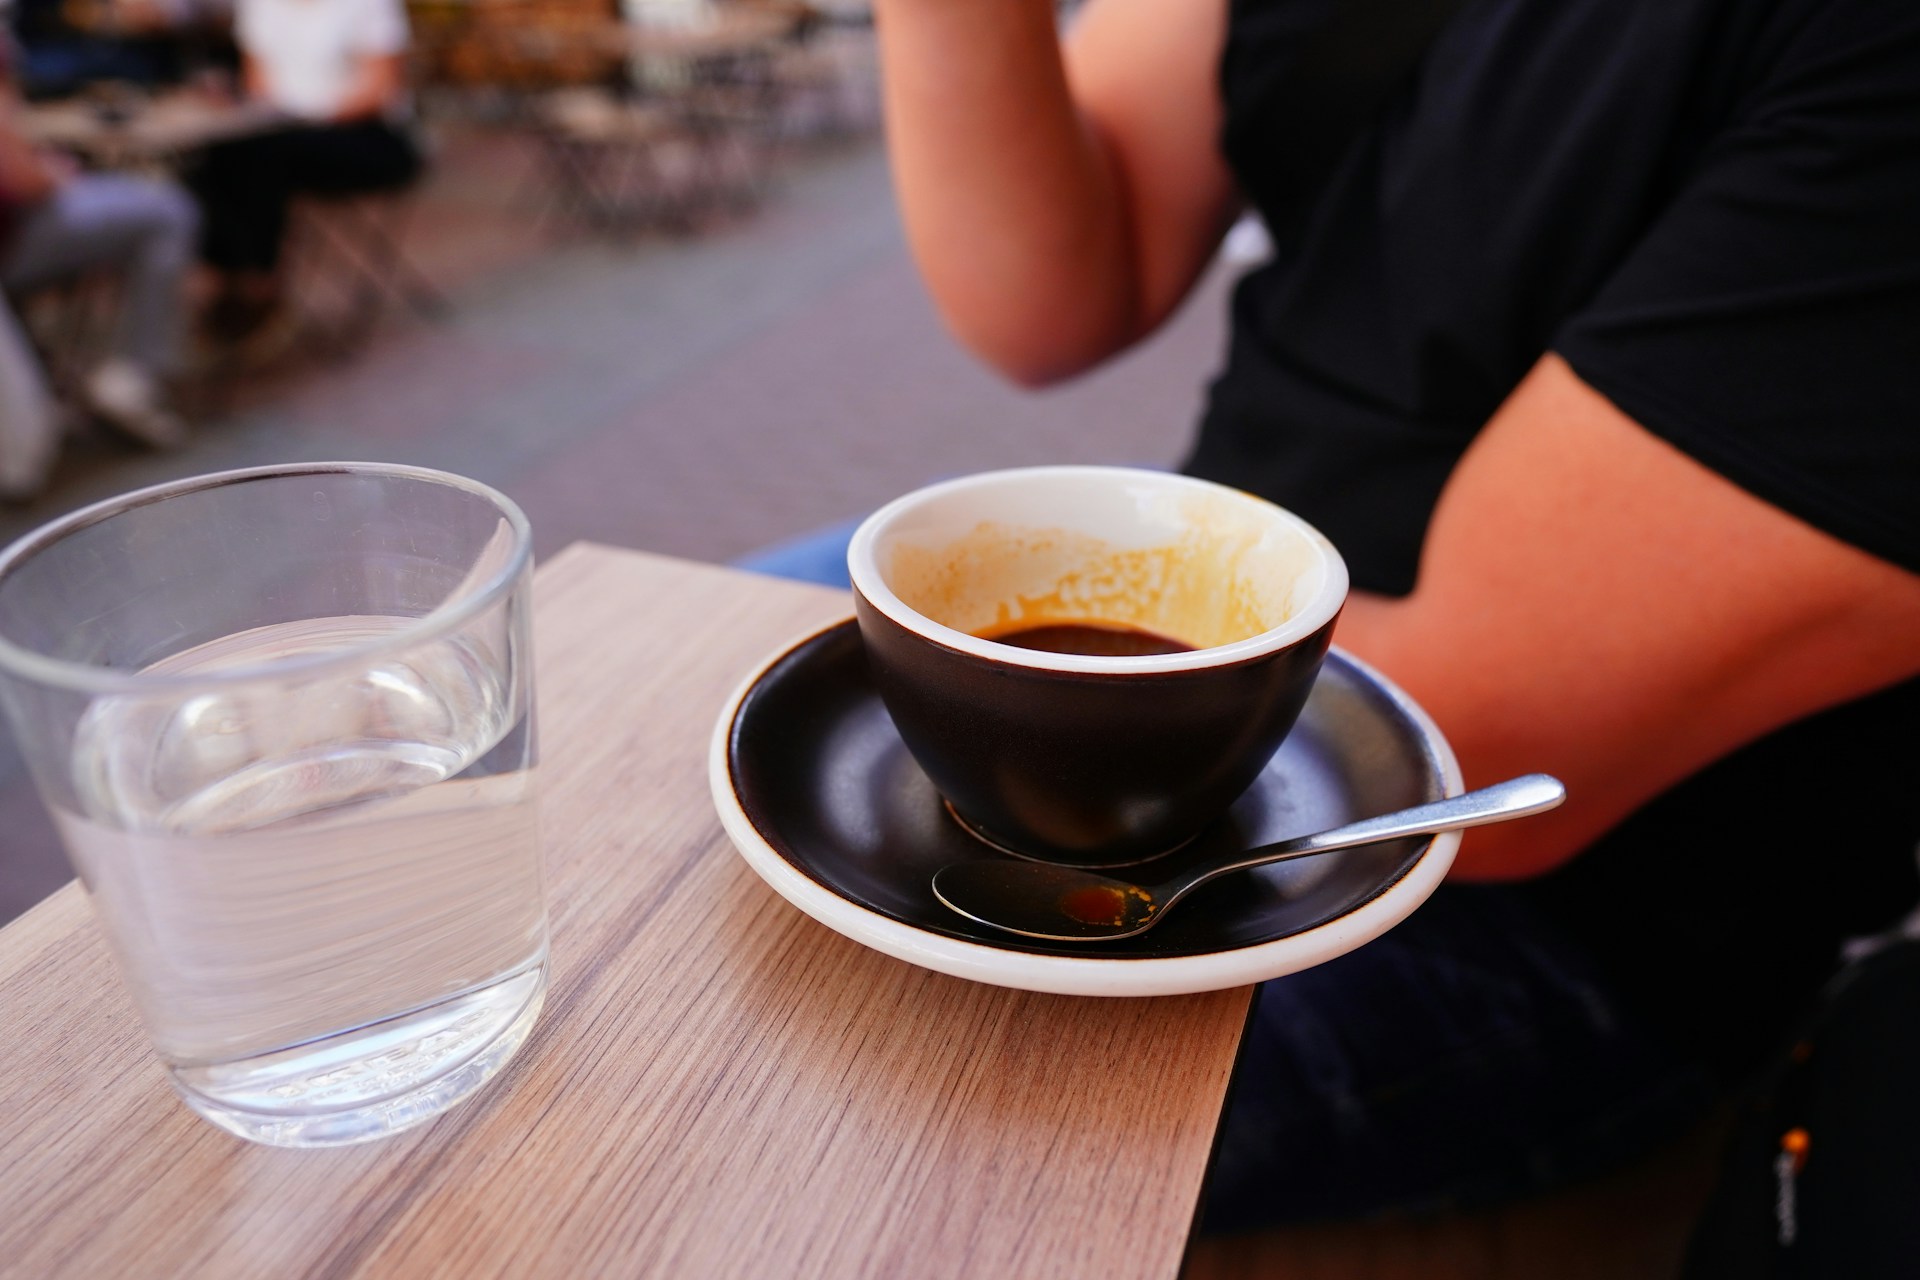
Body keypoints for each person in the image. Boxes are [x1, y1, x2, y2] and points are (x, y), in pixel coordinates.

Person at [754, 0, 1920, 1232]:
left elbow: (1484, 726)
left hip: (1543, 911)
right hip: (1230, 642)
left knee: (781, 1116)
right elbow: (1046, 295)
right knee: (612, 718)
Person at [0, 61, 197, 491]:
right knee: (165, 209)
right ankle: (131, 375)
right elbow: (22, 177)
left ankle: (75, 373)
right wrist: (51, 171)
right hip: (12, 237)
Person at [185, 0, 419, 342]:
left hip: (366, 132)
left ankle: (259, 284)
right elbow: (258, 84)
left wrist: (310, 116)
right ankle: (229, 275)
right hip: (284, 131)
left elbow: (379, 88)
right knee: (220, 153)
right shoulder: (260, 6)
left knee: (265, 158)